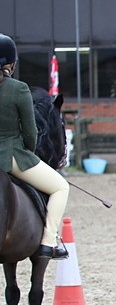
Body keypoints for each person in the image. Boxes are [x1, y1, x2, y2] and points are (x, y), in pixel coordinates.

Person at [0, 34, 69, 260]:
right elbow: (31, 132)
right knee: (60, 187)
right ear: (10, 64)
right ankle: (49, 243)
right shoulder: (18, 89)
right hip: (12, 156)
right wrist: (29, 154)